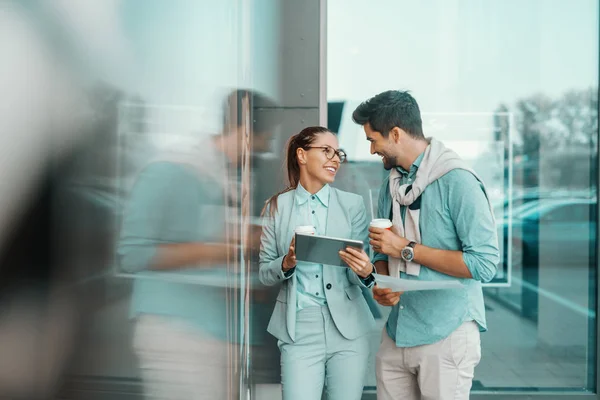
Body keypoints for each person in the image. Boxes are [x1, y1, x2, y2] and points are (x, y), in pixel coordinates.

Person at [117, 89, 277, 400]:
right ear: (245, 133)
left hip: (225, 339)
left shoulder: (232, 179)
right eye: (266, 139)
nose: (268, 148)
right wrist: (235, 246)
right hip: (180, 338)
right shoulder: (170, 170)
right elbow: (133, 254)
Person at [352, 90, 499, 400]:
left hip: (447, 332)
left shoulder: (458, 181)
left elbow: (483, 264)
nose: (371, 148)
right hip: (398, 332)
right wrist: (382, 283)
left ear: (395, 134)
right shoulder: (391, 183)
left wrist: (406, 249)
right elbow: (381, 249)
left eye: (372, 139)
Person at [259, 126, 376, 400]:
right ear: (302, 155)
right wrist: (287, 262)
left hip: (348, 327)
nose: (335, 159)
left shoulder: (353, 205)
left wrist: (365, 271)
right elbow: (265, 272)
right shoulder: (276, 207)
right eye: (326, 151)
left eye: (338, 153)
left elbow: (362, 271)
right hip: (298, 328)